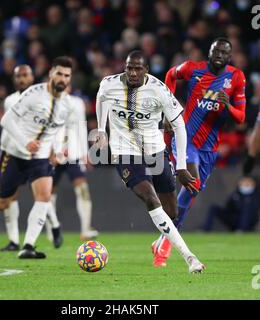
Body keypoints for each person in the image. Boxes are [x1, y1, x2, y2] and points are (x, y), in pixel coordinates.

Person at [95, 50, 205, 273]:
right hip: (124, 151)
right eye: (129, 68)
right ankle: (190, 257)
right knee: (150, 197)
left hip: (155, 150)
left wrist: (181, 167)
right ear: (125, 68)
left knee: (172, 212)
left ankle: (159, 242)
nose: (133, 73)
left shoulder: (159, 90)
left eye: (138, 69)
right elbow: (101, 98)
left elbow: (179, 126)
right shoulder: (109, 84)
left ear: (146, 70)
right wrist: (100, 129)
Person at [0, 56, 75, 259]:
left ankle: (28, 246)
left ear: (70, 79)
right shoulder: (33, 94)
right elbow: (6, 120)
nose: (62, 78)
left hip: (40, 158)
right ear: (51, 73)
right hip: (15, 153)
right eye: (59, 73)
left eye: (66, 75)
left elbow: (59, 130)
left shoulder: (68, 104)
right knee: (3, 203)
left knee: (43, 196)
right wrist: (25, 141)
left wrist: (58, 151)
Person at [153, 37, 246, 266]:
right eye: (216, 51)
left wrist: (228, 107)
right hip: (185, 138)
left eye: (224, 52)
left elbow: (241, 117)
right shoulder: (193, 69)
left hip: (209, 148)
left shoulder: (236, 77)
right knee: (191, 182)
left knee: (192, 191)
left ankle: (164, 239)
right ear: (210, 52)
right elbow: (170, 76)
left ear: (229, 56)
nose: (219, 55)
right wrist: (168, 109)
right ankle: (166, 244)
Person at [0, 64, 62, 252]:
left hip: (36, 155)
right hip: (12, 152)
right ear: (14, 79)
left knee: (42, 194)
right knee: (10, 197)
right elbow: (8, 125)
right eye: (18, 76)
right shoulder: (10, 100)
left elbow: (51, 128)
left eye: (25, 76)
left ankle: (54, 225)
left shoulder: (46, 99)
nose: (21, 80)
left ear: (32, 77)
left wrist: (53, 150)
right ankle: (13, 240)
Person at [47, 89, 98, 241]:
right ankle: (52, 229)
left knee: (82, 189)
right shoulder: (47, 102)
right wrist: (49, 152)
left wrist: (85, 153)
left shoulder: (77, 103)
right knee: (48, 194)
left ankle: (85, 229)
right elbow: (46, 129)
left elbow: (82, 128)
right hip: (54, 154)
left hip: (74, 153)